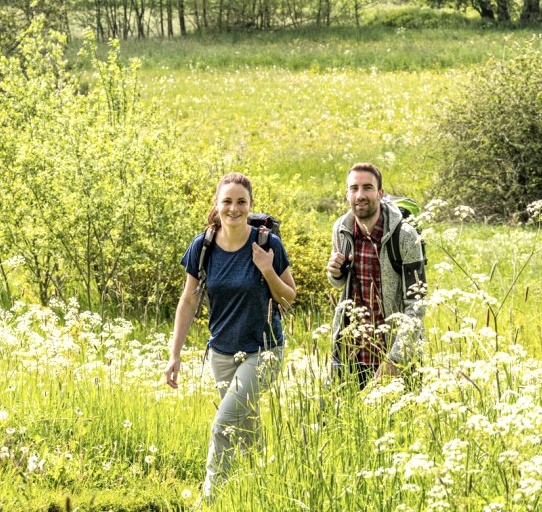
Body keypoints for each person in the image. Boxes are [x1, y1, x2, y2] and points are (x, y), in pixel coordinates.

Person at [163, 172, 296, 496]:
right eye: (227, 201)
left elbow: (289, 297)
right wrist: (174, 355)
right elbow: (189, 300)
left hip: (263, 350)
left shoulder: (268, 244)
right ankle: (265, 487)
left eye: (241, 202)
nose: (233, 208)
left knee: (224, 424)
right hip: (221, 353)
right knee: (244, 425)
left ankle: (211, 496)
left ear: (250, 206)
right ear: (217, 204)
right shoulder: (204, 245)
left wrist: (266, 269)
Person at [325, 162, 427, 388]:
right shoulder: (341, 228)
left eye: (367, 188)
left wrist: (395, 359)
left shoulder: (405, 236)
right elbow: (342, 283)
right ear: (347, 194)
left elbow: (417, 303)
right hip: (351, 353)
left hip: (394, 352)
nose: (360, 195)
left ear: (380, 194)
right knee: (335, 420)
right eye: (354, 188)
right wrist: (335, 273)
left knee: (399, 423)